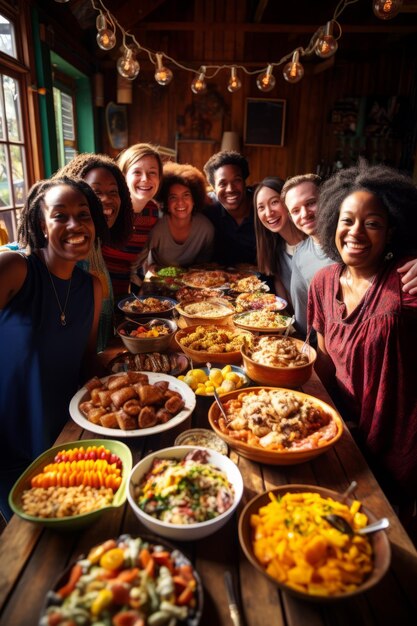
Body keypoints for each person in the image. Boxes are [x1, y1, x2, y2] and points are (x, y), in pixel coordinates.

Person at [307, 161, 417, 518]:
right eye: (347, 220)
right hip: (341, 436)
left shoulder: (407, 284)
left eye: (373, 223)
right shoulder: (323, 282)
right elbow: (324, 360)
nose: (356, 232)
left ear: (391, 232)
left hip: (396, 444)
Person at [0, 176, 106, 519]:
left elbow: (86, 363)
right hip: (9, 442)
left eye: (83, 214)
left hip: (65, 443)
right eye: (60, 215)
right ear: (41, 225)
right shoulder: (14, 269)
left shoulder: (92, 287)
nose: (75, 224)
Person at [283, 172, 417, 336]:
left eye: (311, 203)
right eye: (295, 210)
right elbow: (308, 323)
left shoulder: (397, 266)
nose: (304, 214)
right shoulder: (312, 269)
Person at [56, 153, 133, 351]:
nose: (106, 199)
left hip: (98, 360)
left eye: (113, 192)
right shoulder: (65, 251)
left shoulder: (96, 243)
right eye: (95, 192)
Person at [101, 143, 163, 296]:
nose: (145, 179)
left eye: (152, 173)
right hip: (97, 288)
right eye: (137, 172)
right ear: (123, 176)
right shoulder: (109, 208)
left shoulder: (152, 211)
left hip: (125, 293)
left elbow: (139, 259)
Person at [142, 162, 214, 270]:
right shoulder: (156, 227)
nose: (180, 202)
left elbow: (205, 267)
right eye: (173, 197)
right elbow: (140, 261)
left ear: (194, 199)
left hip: (193, 281)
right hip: (158, 280)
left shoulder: (206, 229)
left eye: (186, 195)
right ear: (166, 202)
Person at [254, 176, 305, 306]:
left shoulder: (313, 244)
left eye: (274, 202)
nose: (269, 213)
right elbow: (284, 304)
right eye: (261, 207)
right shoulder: (276, 250)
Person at [203, 150, 257, 267]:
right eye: (222, 183)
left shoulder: (262, 207)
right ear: (213, 188)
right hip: (218, 281)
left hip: (261, 280)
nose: (230, 189)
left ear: (244, 182)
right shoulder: (208, 207)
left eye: (236, 180)